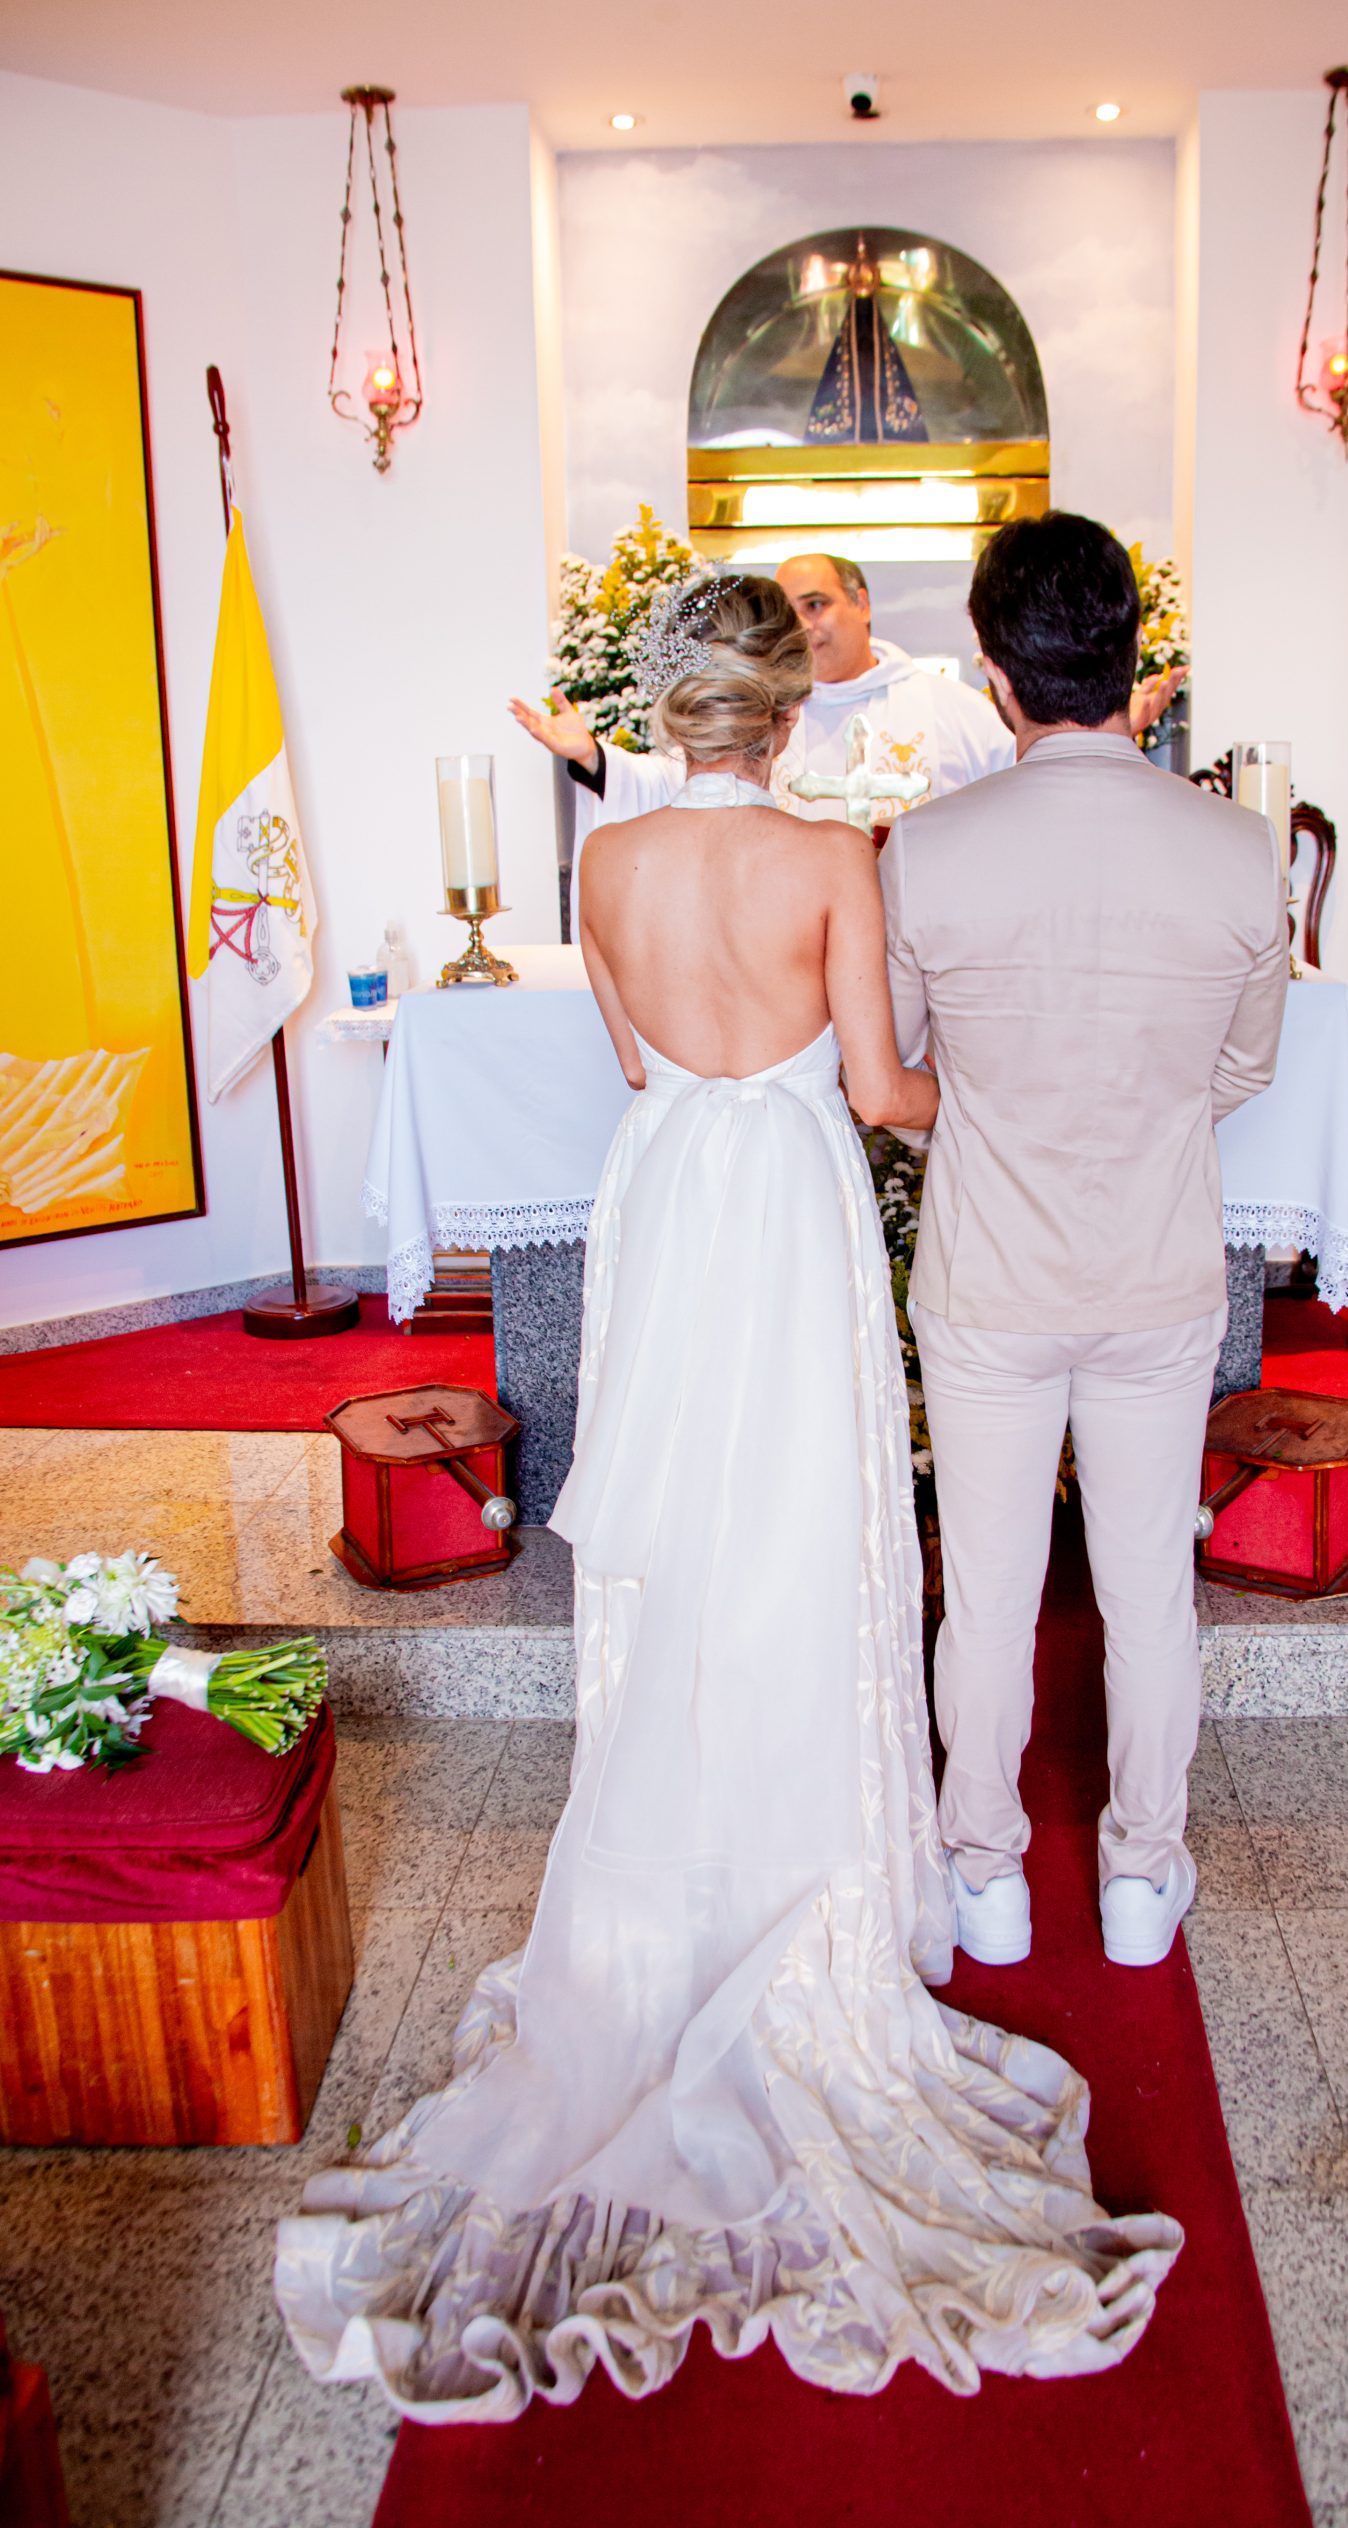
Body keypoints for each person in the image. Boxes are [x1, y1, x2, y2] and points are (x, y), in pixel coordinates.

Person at [276, 572, 1182, 2422]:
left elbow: (628, 1060)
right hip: (784, 1200)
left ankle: (659, 1873)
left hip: (669, 1202)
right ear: (785, 714)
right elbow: (876, 1091)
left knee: (677, 1545)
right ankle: (812, 1869)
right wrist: (1019, 1068)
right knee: (802, 1537)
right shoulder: (828, 859)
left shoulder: (603, 871)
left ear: (673, 705)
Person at [881, 513, 1289, 1975]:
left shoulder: (924, 851)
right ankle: (1137, 1874)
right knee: (1145, 1594)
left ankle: (982, 1875)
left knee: (984, 1596)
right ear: (1132, 666)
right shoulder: (1240, 850)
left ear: (996, 674)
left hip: (989, 1273)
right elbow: (1237, 1071)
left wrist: (994, 1124)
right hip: (1156, 1266)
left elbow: (902, 1071)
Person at [507, 550, 1181, 931]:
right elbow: (685, 790)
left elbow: (1031, 778)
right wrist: (594, 761)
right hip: (784, 942)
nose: (805, 626)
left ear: (861, 602)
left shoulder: (942, 704)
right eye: (790, 611)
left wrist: (1107, 726)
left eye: (817, 604)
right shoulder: (756, 713)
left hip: (923, 936)